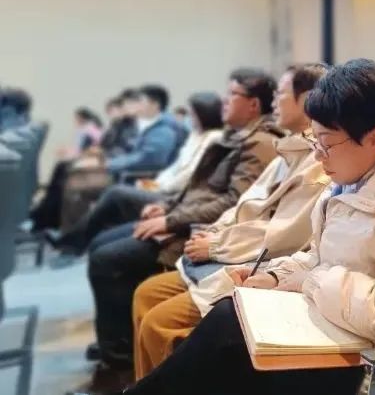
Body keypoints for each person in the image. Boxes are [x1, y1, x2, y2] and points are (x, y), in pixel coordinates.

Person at [106, 59, 375, 395]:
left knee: (229, 339)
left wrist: (309, 281)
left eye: (326, 143)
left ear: (374, 139)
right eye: (314, 141)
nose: (318, 156)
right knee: (231, 315)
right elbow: (319, 257)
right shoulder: (354, 181)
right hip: (349, 329)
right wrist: (276, 278)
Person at [72, 68, 282, 379]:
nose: (224, 101)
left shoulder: (261, 143)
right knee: (102, 246)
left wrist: (171, 220)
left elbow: (232, 203)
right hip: (189, 220)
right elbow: (200, 188)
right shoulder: (237, 136)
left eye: (232, 95)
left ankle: (117, 361)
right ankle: (118, 343)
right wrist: (167, 208)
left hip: (197, 231)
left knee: (107, 259)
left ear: (253, 105)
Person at [131, 63, 330, 379]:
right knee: (146, 294)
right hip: (234, 248)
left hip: (254, 260)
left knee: (159, 322)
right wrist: (213, 232)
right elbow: (243, 204)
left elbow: (283, 235)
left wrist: (215, 243)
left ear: (306, 100)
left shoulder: (315, 160)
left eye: (280, 94)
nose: (274, 101)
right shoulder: (286, 150)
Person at [140, 92, 224, 196]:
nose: (190, 119)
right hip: (168, 189)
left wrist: (162, 188)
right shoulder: (195, 134)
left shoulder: (214, 137)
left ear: (204, 115)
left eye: (192, 114)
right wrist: (156, 184)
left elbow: (190, 174)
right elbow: (177, 165)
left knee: (122, 193)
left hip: (181, 195)